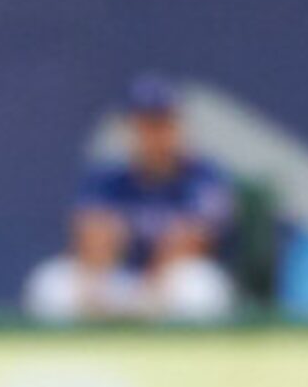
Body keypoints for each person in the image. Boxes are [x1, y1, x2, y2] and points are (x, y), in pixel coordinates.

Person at [24, 73, 242, 325]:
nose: (153, 135)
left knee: (200, 287)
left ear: (177, 126)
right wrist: (96, 291)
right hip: (119, 283)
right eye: (144, 125)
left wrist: (150, 298)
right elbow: (92, 236)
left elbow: (189, 243)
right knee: (51, 284)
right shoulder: (107, 178)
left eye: (160, 123)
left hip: (168, 287)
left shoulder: (203, 177)